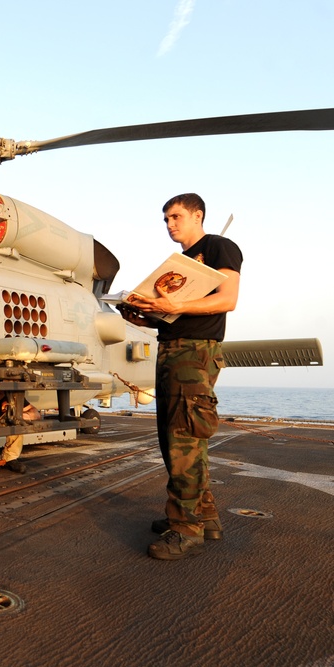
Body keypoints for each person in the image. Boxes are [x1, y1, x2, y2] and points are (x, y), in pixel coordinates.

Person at [119, 193, 242, 561]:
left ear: (197, 216)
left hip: (194, 351)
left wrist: (175, 305)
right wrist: (145, 316)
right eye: (166, 219)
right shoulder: (182, 262)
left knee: (183, 440)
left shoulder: (220, 247)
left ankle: (186, 529)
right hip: (173, 348)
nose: (170, 224)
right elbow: (174, 313)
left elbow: (227, 299)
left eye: (176, 217)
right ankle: (205, 517)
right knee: (182, 436)